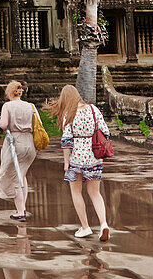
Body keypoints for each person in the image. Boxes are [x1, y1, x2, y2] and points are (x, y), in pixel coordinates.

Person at [53, 84, 110, 240]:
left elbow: (66, 141)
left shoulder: (69, 114)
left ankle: (85, 227)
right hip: (94, 156)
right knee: (95, 193)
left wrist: (66, 162)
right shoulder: (93, 109)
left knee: (76, 192)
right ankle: (103, 224)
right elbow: (106, 132)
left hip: (77, 157)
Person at [0, 80, 38, 221]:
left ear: (9, 92)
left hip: (16, 142)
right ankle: (23, 206)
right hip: (30, 142)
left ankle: (20, 211)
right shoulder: (30, 106)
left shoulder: (7, 106)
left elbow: (3, 125)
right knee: (22, 174)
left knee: (15, 177)